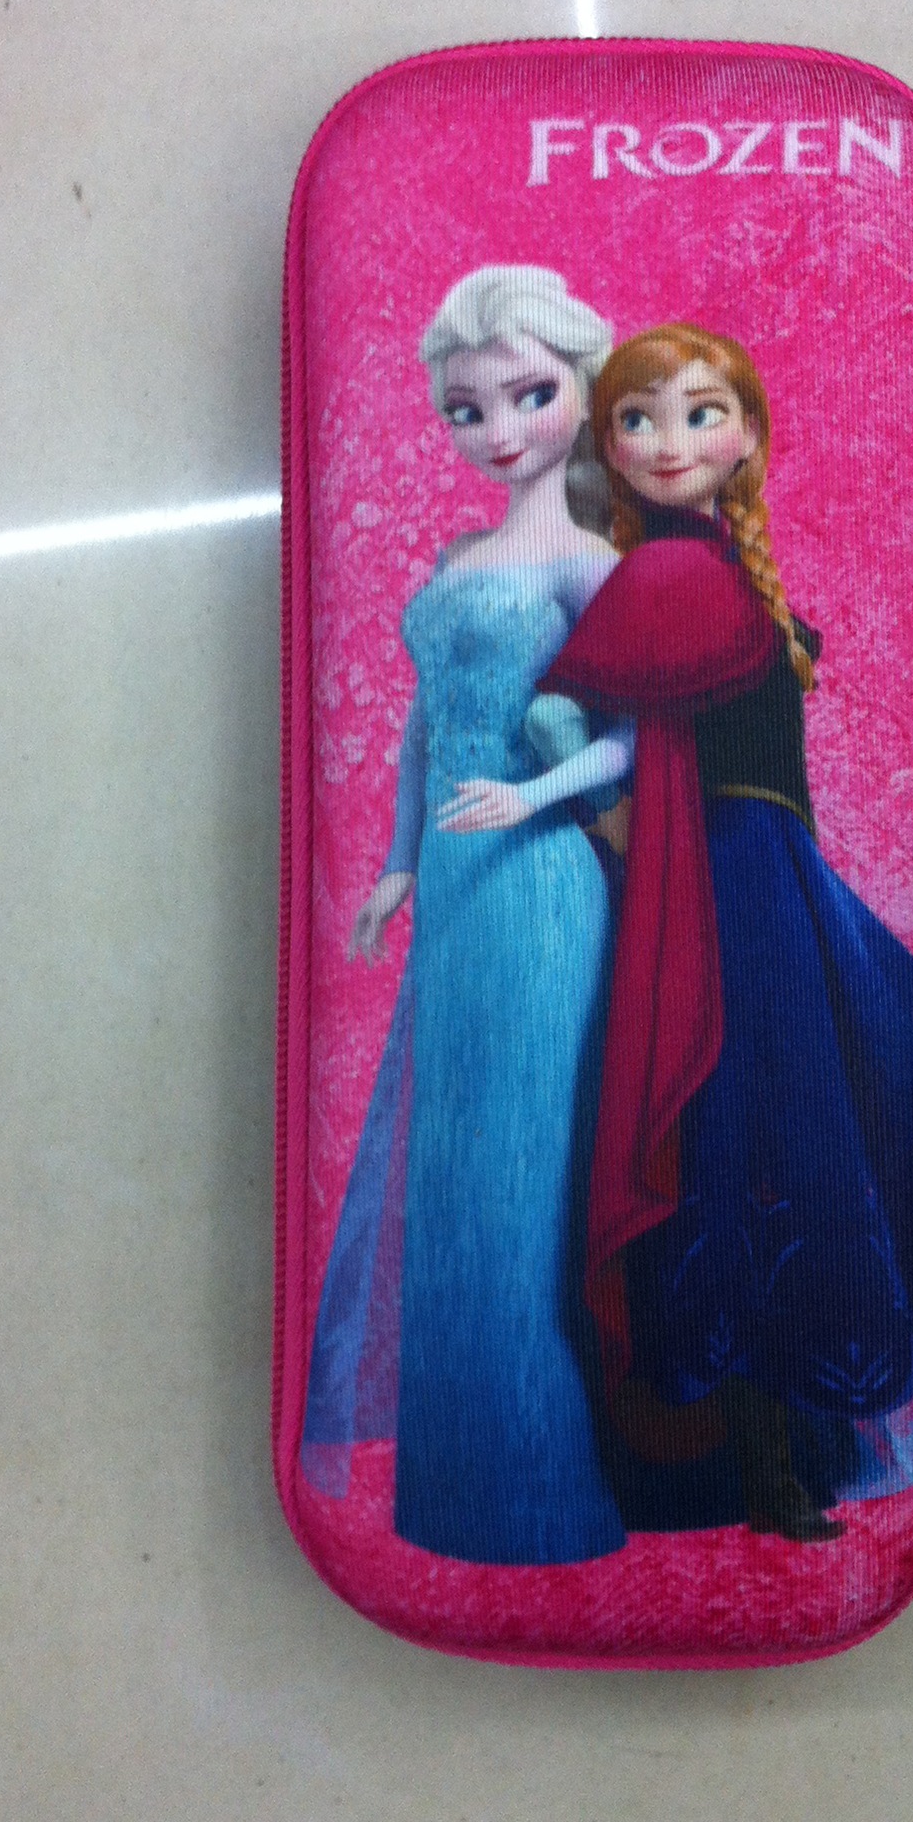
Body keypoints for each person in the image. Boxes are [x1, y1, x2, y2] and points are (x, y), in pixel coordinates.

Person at [539, 325, 913, 1542]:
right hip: (725, 887)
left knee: (828, 1102)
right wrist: (616, 827)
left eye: (701, 413)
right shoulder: (662, 578)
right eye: (638, 419)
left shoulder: (709, 565)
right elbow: (568, 710)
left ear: (748, 439)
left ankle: (775, 1448)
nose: (670, 441)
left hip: (769, 876)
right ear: (610, 449)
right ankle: (760, 1461)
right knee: (761, 1139)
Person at [300, 266, 633, 1565]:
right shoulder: (458, 564)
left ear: (582, 390)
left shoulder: (595, 565)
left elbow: (637, 739)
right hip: (450, 892)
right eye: (466, 409)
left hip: (542, 886)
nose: (499, 431)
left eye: (529, 396)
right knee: (450, 1178)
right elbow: (423, 727)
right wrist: (396, 864)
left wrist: (530, 792)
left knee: (521, 1177)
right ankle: (456, 1498)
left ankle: (549, 1497)